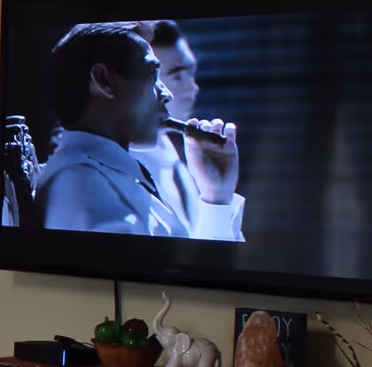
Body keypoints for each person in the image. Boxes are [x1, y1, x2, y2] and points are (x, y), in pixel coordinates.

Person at [33, 22, 238, 237]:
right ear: (104, 81)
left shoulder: (113, 176)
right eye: (151, 73)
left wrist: (217, 196)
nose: (167, 94)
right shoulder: (83, 187)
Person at [130, 20, 244, 241]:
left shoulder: (178, 162)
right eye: (176, 74)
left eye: (191, 72)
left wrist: (217, 197)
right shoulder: (116, 176)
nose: (193, 87)